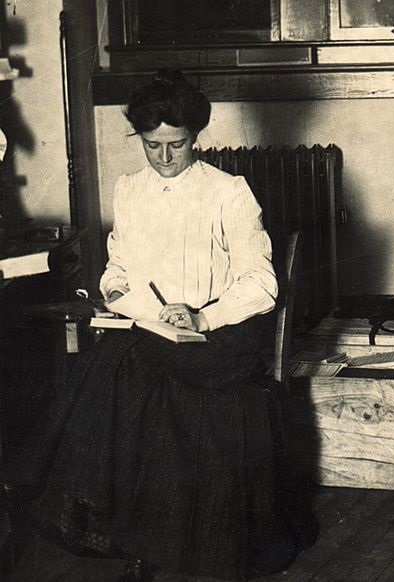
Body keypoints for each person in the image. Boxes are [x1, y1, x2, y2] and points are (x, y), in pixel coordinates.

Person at [1, 69, 314, 581]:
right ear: (139, 140)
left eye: (178, 145)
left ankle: (152, 535)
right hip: (154, 327)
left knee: (133, 373)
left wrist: (202, 315)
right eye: (153, 146)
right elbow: (118, 269)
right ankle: (135, 532)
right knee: (109, 365)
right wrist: (120, 294)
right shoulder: (131, 190)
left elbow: (262, 285)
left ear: (196, 137)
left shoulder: (228, 192)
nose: (165, 158)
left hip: (223, 330)